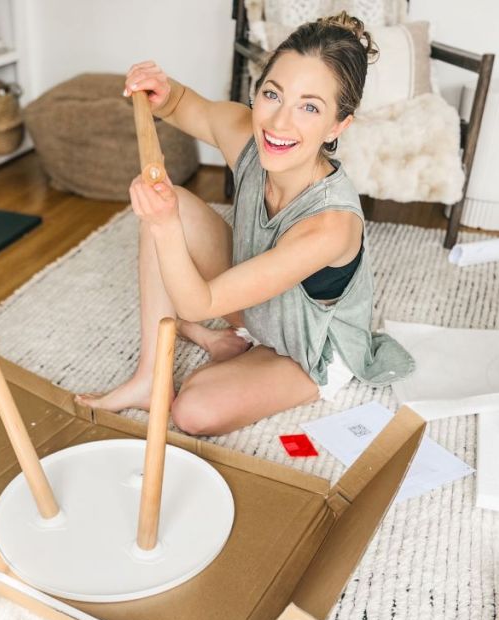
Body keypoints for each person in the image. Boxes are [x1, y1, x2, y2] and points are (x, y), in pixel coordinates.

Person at [76, 13, 414, 435]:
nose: (279, 123)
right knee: (174, 203)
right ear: (258, 91)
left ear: (337, 125)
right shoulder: (248, 137)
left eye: (310, 107)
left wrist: (164, 229)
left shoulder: (330, 225)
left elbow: (198, 302)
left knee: (194, 411)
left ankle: (212, 339)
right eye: (273, 94)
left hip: (309, 347)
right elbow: (183, 104)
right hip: (260, 309)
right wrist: (160, 90)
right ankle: (150, 379)